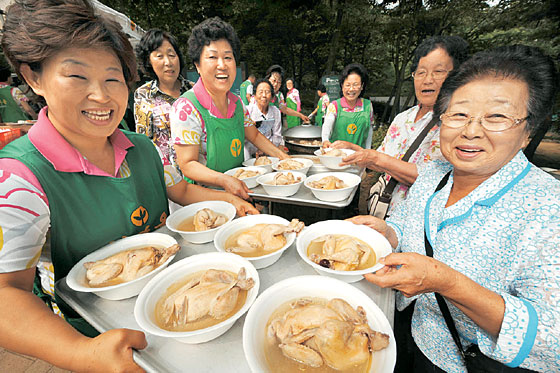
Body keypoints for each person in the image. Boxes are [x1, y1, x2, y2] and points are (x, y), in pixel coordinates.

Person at [0, 1, 257, 371]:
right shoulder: (19, 178)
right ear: (34, 77)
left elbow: (180, 190)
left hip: (175, 307)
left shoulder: (145, 149)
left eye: (112, 78)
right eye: (77, 77)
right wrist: (80, 354)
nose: (101, 96)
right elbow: (7, 293)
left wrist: (231, 204)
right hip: (97, 337)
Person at [350, 45, 560, 372]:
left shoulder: (548, 206)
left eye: (497, 117)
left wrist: (445, 282)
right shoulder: (434, 174)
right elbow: (406, 227)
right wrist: (389, 233)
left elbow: (553, 340)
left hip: (464, 363)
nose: (471, 130)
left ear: (527, 131)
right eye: (459, 114)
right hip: (409, 332)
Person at [336, 36, 469, 215]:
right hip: (382, 212)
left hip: (417, 223)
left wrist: (376, 158)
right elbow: (381, 159)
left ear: (456, 76)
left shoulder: (459, 124)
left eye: (438, 71)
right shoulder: (403, 118)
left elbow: (438, 180)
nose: (427, 80)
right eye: (421, 72)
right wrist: (352, 148)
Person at [170, 17, 290, 200]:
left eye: (228, 57)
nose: (222, 65)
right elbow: (187, 164)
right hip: (203, 199)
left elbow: (254, 135)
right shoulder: (186, 108)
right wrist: (224, 180)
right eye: (212, 57)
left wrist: (284, 158)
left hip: (237, 192)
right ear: (197, 65)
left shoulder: (238, 104)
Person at [134, 29, 191, 176]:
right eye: (160, 56)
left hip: (199, 174)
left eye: (172, 55)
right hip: (166, 179)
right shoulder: (143, 94)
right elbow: (144, 143)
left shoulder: (193, 90)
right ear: (148, 61)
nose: (168, 62)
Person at [322, 62, 374, 149]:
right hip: (337, 156)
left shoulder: (368, 106)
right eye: (347, 85)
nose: (351, 89)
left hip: (359, 156)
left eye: (355, 85)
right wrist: (325, 140)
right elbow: (327, 126)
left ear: (362, 86)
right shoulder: (334, 106)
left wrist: (367, 151)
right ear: (342, 86)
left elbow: (369, 131)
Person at [245, 79, 283, 159]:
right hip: (250, 152)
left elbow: (277, 135)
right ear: (254, 96)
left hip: (270, 152)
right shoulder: (248, 111)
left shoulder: (275, 111)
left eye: (267, 92)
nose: (264, 95)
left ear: (272, 96)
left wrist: (267, 150)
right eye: (261, 92)